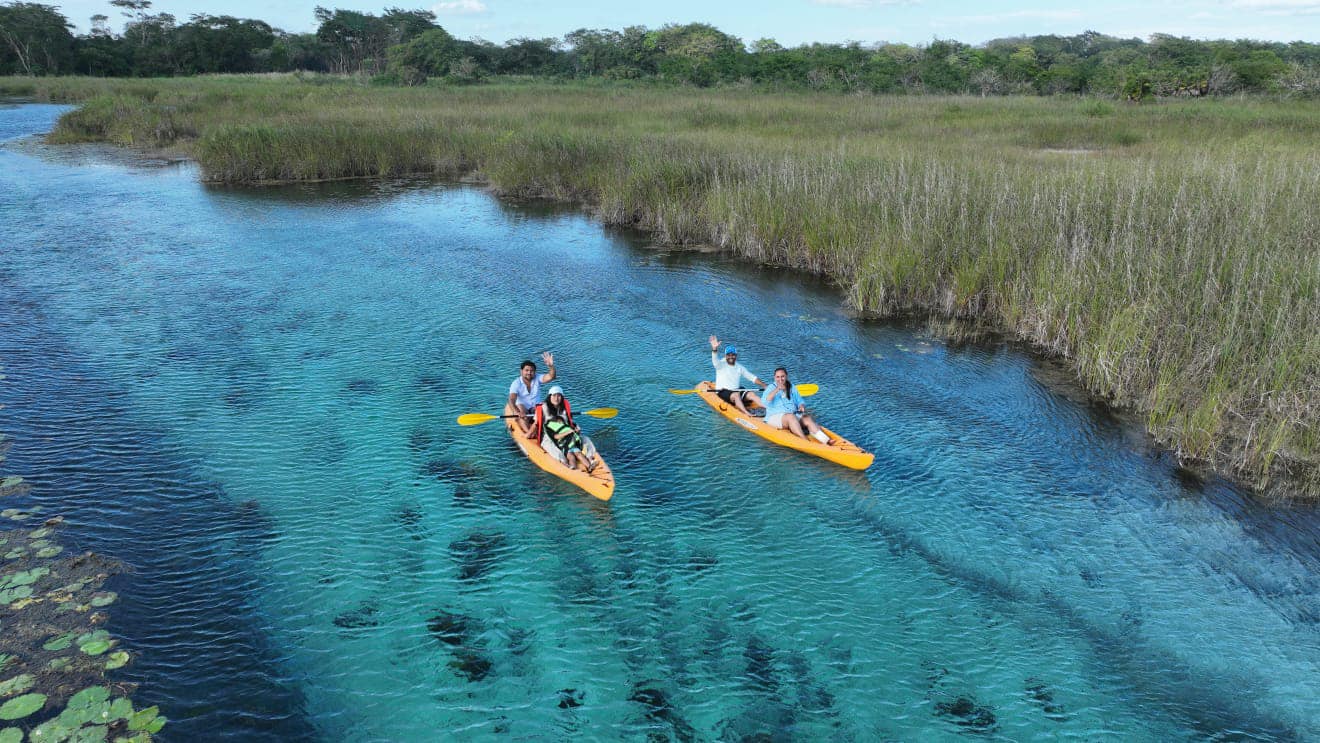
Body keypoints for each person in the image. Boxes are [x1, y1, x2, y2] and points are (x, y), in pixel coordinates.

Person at [762, 367, 831, 444]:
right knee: (790, 417)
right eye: (778, 377)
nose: (780, 379)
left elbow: (799, 401)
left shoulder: (791, 387)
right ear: (774, 377)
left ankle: (826, 440)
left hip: (792, 415)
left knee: (807, 418)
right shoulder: (770, 388)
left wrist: (801, 406)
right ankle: (805, 440)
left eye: (782, 376)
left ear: (786, 376)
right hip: (774, 416)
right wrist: (777, 389)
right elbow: (765, 402)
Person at [538, 386, 596, 472]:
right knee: (557, 451)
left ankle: (590, 459)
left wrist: (576, 429)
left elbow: (569, 423)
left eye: (559, 396)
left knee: (586, 439)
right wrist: (528, 434)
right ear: (549, 396)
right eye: (554, 395)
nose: (556, 398)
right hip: (550, 436)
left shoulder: (564, 406)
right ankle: (566, 464)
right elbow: (536, 423)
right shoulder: (542, 408)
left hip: (568, 435)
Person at [709, 335, 765, 416]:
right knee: (736, 395)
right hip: (723, 391)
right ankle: (747, 414)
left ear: (736, 356)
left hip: (736, 389)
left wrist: (764, 385)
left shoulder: (739, 367)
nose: (731, 357)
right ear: (725, 356)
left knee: (751, 394)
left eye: (733, 355)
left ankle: (769, 409)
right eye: (729, 355)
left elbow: (752, 377)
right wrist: (714, 348)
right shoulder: (720, 364)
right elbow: (714, 360)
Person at [506, 351, 555, 439]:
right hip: (522, 409)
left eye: (531, 371)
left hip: (535, 408)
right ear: (521, 371)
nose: (529, 373)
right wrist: (517, 412)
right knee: (521, 409)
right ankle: (529, 433)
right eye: (526, 370)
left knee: (546, 408)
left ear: (535, 372)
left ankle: (545, 430)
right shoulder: (516, 383)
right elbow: (511, 399)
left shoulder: (537, 378)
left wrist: (551, 366)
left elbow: (551, 377)